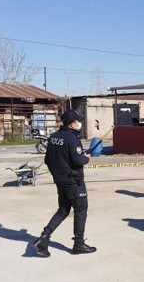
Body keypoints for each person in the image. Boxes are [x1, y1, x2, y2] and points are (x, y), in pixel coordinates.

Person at [32, 109, 96, 257]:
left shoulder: (54, 137)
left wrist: (58, 174)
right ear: (72, 124)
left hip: (60, 181)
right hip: (73, 182)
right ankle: (78, 244)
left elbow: (47, 160)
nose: (80, 123)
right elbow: (78, 160)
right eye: (78, 121)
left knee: (63, 210)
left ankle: (43, 238)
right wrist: (86, 157)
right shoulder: (72, 138)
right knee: (81, 210)